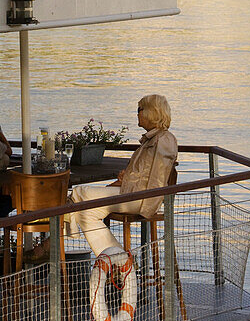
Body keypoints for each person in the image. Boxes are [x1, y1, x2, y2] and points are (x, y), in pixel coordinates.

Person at [66, 94, 178, 257]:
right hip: (132, 192)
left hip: (141, 198)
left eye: (139, 109)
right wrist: (128, 176)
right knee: (86, 213)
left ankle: (57, 238)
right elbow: (146, 172)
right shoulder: (153, 139)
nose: (137, 113)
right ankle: (120, 261)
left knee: (79, 192)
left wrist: (128, 179)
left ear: (150, 112)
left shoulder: (163, 140)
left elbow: (157, 176)